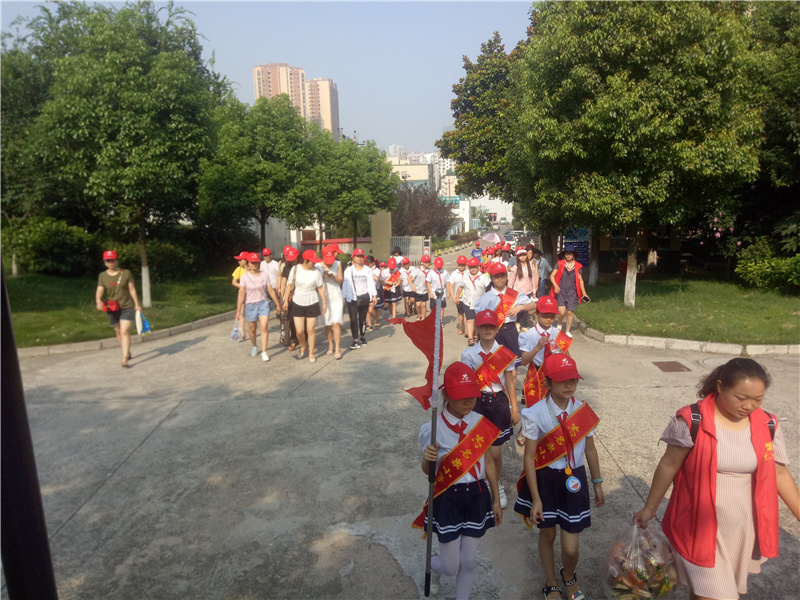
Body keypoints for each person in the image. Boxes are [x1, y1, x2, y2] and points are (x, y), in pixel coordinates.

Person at [633, 358, 800, 600]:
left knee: (703, 593)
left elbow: (779, 473)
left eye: (758, 399)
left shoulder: (767, 424)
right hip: (698, 527)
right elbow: (669, 465)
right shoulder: (693, 420)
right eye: (741, 398)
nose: (749, 406)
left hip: (740, 527)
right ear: (720, 386)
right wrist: (650, 508)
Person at [515, 354, 604, 600]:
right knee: (548, 534)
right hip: (546, 480)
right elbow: (529, 457)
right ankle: (551, 581)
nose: (569, 385)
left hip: (575, 480)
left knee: (571, 548)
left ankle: (569, 574)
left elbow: (590, 449)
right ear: (547, 382)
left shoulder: (582, 410)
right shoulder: (535, 413)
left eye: (573, 380)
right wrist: (536, 499)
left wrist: (597, 482)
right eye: (562, 380)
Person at [417, 361, 503, 599]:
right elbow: (428, 472)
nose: (468, 402)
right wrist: (427, 459)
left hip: (477, 495)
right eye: (461, 396)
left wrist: (496, 499)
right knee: (450, 566)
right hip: (448, 499)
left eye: (472, 396)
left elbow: (489, 463)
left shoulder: (479, 422)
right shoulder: (432, 429)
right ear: (446, 394)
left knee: (468, 562)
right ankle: (434, 566)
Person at [460, 309, 519, 510]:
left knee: (495, 453)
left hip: (498, 404)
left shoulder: (504, 353)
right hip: (477, 404)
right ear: (477, 328)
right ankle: (480, 484)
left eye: (491, 326)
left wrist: (514, 408)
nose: (487, 329)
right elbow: (467, 384)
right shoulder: (468, 354)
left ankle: (496, 484)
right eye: (483, 326)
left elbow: (510, 382)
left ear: (497, 328)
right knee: (478, 449)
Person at [474, 262, 537, 391]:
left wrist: (520, 307)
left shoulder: (514, 295)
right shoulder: (485, 298)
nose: (500, 279)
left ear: (507, 277)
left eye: (502, 275)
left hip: (510, 331)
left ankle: (510, 396)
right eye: (496, 276)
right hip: (494, 333)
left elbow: (533, 305)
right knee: (494, 366)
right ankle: (497, 392)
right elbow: (478, 318)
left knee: (513, 368)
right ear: (491, 278)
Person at [95, 250, 142, 368]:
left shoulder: (126, 273)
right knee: (118, 331)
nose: (110, 263)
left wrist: (137, 304)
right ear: (105, 262)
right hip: (111, 307)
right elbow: (100, 289)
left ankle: (124, 357)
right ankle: (127, 351)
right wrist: (98, 300)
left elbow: (132, 289)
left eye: (112, 260)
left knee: (124, 330)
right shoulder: (102, 276)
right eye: (108, 261)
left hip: (126, 306)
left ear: (117, 260)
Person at [237, 252, 282, 361]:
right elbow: (241, 294)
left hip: (263, 304)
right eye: (252, 262)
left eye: (256, 262)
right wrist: (238, 311)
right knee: (252, 329)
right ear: (248, 263)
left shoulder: (264, 275)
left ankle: (264, 352)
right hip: (250, 305)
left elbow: (270, 290)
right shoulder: (244, 277)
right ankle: (254, 345)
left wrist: (277, 303)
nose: (254, 264)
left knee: (264, 327)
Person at [284, 250, 327, 363]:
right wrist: (285, 300)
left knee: (310, 329)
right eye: (312, 261)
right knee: (299, 331)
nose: (314, 263)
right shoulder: (295, 269)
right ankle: (303, 346)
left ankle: (311, 353)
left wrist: (324, 303)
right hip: (297, 301)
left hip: (312, 301)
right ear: (305, 260)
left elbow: (320, 288)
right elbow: (289, 285)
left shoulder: (316, 272)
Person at [549, 244, 588, 334]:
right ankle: (559, 323)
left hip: (572, 292)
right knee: (562, 312)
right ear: (564, 254)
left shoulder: (578, 266)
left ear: (573, 255)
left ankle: (567, 331)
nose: (568, 255)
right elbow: (552, 276)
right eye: (566, 253)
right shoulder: (559, 264)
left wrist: (584, 293)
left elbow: (580, 280)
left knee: (570, 312)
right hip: (561, 291)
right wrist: (556, 286)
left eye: (570, 253)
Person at [342, 248, 376, 349]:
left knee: (362, 319)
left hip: (364, 297)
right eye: (357, 256)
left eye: (361, 256)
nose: (360, 258)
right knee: (353, 320)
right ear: (353, 257)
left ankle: (362, 336)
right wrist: (343, 297)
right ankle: (355, 340)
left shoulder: (367, 270)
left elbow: (371, 283)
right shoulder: (348, 271)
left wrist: (374, 295)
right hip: (352, 298)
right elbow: (345, 284)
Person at [317, 244, 344, 359]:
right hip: (324, 298)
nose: (330, 262)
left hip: (336, 296)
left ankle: (337, 347)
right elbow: (316, 284)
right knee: (328, 323)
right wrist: (322, 277)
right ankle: (330, 345)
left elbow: (340, 280)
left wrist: (332, 277)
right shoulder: (317, 266)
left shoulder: (338, 263)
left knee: (335, 323)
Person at [459, 258, 490, 346]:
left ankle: (476, 334)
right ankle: (470, 338)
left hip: (480, 303)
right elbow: (460, 287)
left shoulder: (484, 277)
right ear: (468, 268)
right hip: (467, 302)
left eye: (475, 267)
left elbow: (489, 289)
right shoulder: (465, 277)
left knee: (478, 321)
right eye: (471, 267)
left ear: (478, 267)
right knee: (470, 320)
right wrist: (457, 297)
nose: (473, 269)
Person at [508, 247, 539, 330]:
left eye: (524, 255)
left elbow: (533, 279)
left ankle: (524, 325)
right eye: (520, 255)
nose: (523, 257)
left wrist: (534, 290)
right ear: (518, 257)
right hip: (517, 291)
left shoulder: (531, 266)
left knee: (525, 310)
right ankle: (517, 323)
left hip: (527, 291)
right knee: (518, 309)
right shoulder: (515, 267)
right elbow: (511, 280)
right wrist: (509, 291)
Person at [279, 246, 300, 351]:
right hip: (290, 297)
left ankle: (302, 338)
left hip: (301, 296)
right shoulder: (286, 268)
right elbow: (284, 284)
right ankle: (295, 339)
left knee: (302, 319)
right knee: (291, 319)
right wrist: (282, 299)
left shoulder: (302, 267)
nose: (290, 261)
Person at [231, 252, 250, 342]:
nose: (238, 261)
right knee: (241, 313)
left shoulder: (252, 269)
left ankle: (252, 330)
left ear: (246, 260)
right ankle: (242, 333)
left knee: (251, 313)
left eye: (240, 260)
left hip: (252, 295)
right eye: (238, 260)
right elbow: (234, 282)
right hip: (241, 294)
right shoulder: (238, 269)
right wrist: (242, 286)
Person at [448, 256, 468, 336]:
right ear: (457, 264)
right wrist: (453, 297)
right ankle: (461, 327)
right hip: (458, 298)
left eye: (463, 265)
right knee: (460, 313)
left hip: (467, 297)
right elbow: (451, 286)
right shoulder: (454, 274)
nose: (461, 266)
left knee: (467, 314)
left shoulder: (468, 272)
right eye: (460, 265)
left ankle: (467, 329)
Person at [411, 255, 431, 321]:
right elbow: (409, 278)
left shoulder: (430, 271)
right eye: (426, 262)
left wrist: (429, 288)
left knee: (424, 305)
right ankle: (419, 315)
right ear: (422, 262)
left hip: (424, 290)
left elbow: (431, 281)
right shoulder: (418, 270)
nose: (428, 263)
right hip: (417, 290)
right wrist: (412, 286)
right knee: (418, 305)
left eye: (429, 262)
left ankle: (423, 317)